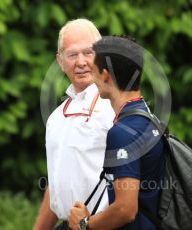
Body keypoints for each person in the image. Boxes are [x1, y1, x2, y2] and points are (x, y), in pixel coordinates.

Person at [68, 35, 165, 229]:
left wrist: (84, 223)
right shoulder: (147, 118)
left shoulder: (123, 132)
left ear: (105, 75)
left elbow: (125, 209)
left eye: (93, 71)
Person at [33, 19, 115, 230]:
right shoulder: (56, 118)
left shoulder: (117, 107)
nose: (81, 62)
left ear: (102, 55)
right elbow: (57, 185)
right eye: (72, 54)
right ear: (60, 61)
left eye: (88, 52)